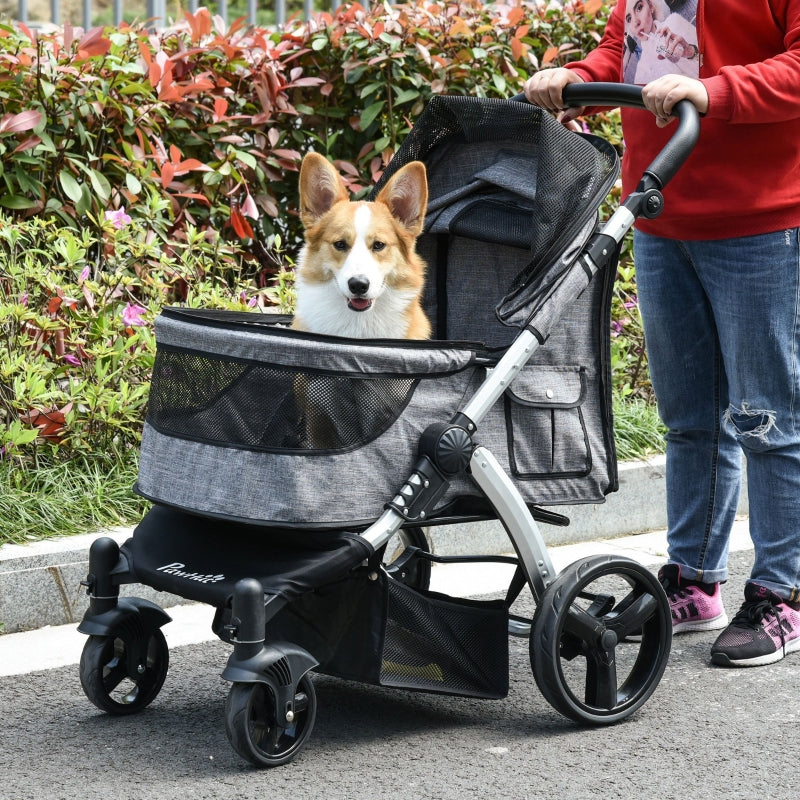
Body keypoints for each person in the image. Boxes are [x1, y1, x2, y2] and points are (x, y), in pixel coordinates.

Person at [525, 0, 800, 667]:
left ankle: (783, 593)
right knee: (690, 421)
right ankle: (694, 582)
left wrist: (713, 91)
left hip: (762, 223)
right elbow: (631, 49)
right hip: (661, 213)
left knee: (768, 419)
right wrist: (578, 79)